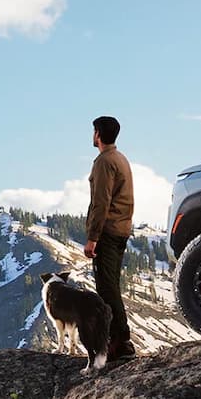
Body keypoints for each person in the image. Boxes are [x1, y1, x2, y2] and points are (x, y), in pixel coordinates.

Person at [84, 115, 136, 359]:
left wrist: (93, 237)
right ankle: (118, 340)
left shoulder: (104, 162)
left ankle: (120, 342)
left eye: (93, 131)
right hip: (121, 229)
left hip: (108, 231)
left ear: (98, 134)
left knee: (106, 288)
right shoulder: (121, 158)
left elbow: (101, 202)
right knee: (110, 285)